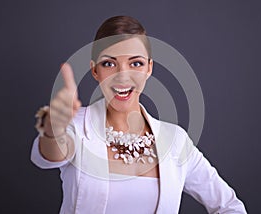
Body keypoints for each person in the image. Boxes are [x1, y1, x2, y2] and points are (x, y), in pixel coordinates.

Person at [31, 15, 247, 213]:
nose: (123, 76)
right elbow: (49, 156)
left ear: (149, 68)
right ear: (95, 70)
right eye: (109, 63)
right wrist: (53, 128)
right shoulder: (77, 125)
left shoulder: (175, 141)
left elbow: (230, 206)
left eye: (136, 63)